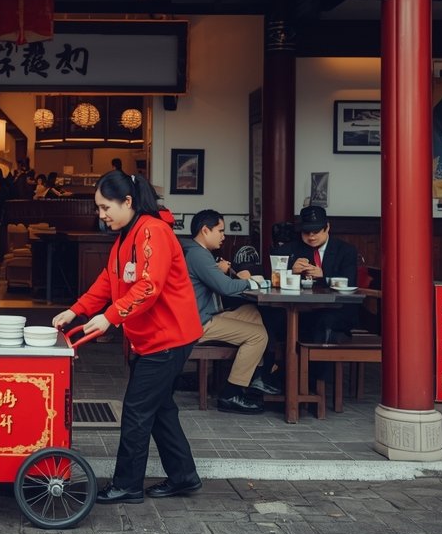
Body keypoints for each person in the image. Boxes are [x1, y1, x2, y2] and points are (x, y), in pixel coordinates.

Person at [52, 170, 203, 503]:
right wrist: (76, 311)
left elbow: (148, 286)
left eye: (106, 207)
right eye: (99, 208)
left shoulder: (153, 231)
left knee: (136, 410)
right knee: (159, 409)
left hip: (168, 337)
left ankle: (127, 485)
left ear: (128, 202)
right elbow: (109, 280)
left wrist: (109, 317)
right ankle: (184, 476)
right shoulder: (126, 235)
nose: (101, 215)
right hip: (155, 337)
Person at [184, 209, 280, 415]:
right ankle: (231, 394)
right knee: (258, 335)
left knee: (251, 312)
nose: (223, 236)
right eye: (220, 231)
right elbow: (226, 288)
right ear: (205, 230)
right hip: (197, 322)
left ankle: (256, 376)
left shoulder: (197, 252)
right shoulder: (198, 255)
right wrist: (253, 282)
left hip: (202, 314)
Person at [287, 205, 359, 343]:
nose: (311, 236)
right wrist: (291, 272)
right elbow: (274, 274)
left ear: (327, 227)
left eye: (316, 231)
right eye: (306, 232)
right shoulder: (292, 249)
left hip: (338, 309)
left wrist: (324, 277)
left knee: (322, 322)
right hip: (301, 309)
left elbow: (349, 282)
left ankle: (316, 356)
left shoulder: (345, 250)